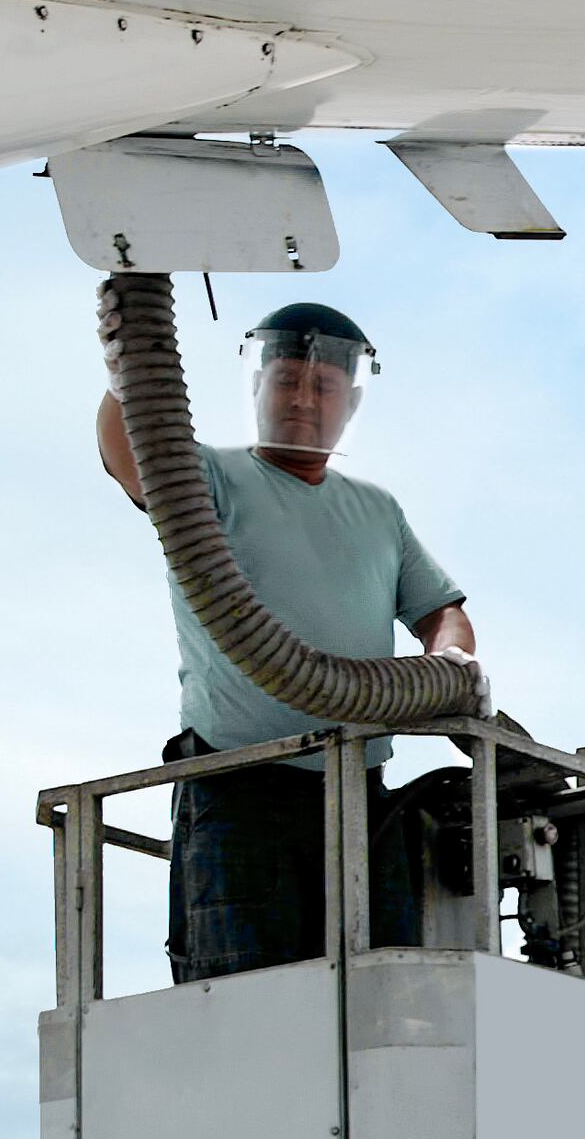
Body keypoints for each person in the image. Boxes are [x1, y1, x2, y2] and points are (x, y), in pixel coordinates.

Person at [93, 301, 480, 979]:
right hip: (240, 788)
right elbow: (129, 449)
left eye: (322, 385)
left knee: (383, 998)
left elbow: (440, 610)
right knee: (249, 1000)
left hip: (362, 794)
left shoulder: (377, 511)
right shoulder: (206, 477)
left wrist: (450, 663)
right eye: (286, 381)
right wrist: (131, 368)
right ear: (257, 386)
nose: (302, 399)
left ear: (351, 400)